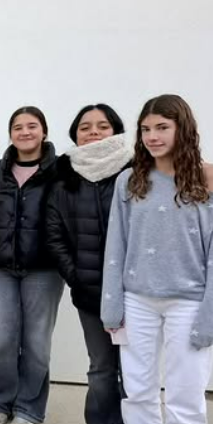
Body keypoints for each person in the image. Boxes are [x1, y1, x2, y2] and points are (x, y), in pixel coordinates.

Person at [101, 94, 213, 424]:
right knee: (137, 390)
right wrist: (112, 304)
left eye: (162, 127)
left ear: (183, 128)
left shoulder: (207, 180)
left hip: (189, 301)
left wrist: (210, 314)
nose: (152, 136)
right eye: (146, 129)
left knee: (186, 392)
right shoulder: (129, 180)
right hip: (137, 300)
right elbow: (116, 245)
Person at [0, 106, 62, 424]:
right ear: (10, 134)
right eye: (18, 127)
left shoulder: (62, 172)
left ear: (44, 132)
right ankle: (1, 401)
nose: (25, 132)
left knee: (36, 343)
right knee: (1, 340)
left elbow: (74, 214)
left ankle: (29, 409)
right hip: (0, 270)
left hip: (44, 270)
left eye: (32, 126)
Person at [45, 104, 130, 424]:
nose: (94, 131)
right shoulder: (63, 177)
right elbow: (54, 235)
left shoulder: (136, 171)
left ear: (116, 130)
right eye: (85, 127)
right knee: (101, 368)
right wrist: (76, 276)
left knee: (136, 369)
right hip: (90, 293)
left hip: (137, 293)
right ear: (75, 134)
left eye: (103, 126)